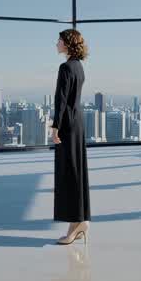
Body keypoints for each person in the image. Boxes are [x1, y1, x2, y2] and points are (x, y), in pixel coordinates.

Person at [49, 28, 90, 245]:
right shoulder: (79, 67)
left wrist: (55, 127)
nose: (56, 43)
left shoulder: (65, 67)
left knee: (69, 174)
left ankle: (76, 225)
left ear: (67, 44)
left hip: (67, 125)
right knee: (76, 172)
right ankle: (79, 221)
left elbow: (61, 100)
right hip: (78, 123)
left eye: (59, 40)